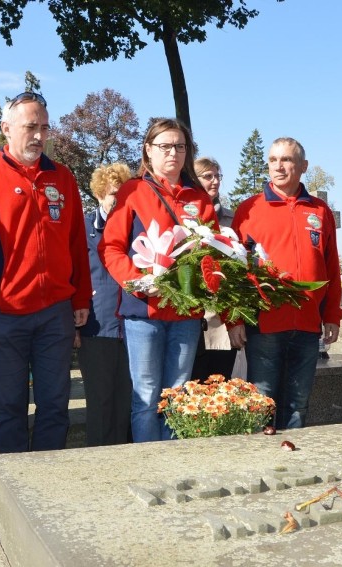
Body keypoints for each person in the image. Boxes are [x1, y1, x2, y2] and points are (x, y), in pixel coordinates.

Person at [0, 92, 92, 454]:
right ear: (6, 129)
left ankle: (45, 486)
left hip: (55, 314)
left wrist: (81, 298)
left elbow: (76, 243)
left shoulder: (64, 178)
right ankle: (14, 493)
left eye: (44, 126)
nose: (39, 135)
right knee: (9, 410)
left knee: (56, 407)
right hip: (3, 316)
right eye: (30, 126)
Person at [100, 118, 218, 442]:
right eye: (165, 146)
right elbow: (110, 247)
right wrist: (137, 283)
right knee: (146, 397)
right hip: (144, 314)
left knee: (177, 398)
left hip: (186, 315)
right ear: (148, 151)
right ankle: (149, 467)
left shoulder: (200, 200)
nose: (173, 153)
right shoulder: (133, 191)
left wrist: (207, 281)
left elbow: (212, 254)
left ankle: (172, 467)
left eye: (180, 146)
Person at [228, 137, 342, 430]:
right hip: (265, 322)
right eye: (273, 160)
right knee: (261, 402)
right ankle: (260, 464)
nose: (279, 166)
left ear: (303, 166)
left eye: (287, 160)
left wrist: (331, 315)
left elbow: (330, 266)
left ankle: (293, 461)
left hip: (307, 324)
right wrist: (234, 320)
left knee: (298, 403)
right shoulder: (250, 209)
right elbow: (233, 270)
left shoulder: (319, 211)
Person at [76, 163, 133, 447]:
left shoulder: (137, 227)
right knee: (100, 401)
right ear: (99, 194)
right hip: (96, 326)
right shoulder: (83, 227)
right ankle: (97, 461)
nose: (118, 201)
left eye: (124, 196)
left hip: (133, 325)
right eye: (113, 195)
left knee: (127, 400)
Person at [190, 156, 240, 380]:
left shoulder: (232, 220)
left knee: (220, 390)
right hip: (190, 318)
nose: (215, 181)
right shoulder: (184, 219)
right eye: (207, 176)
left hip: (223, 320)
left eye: (218, 176)